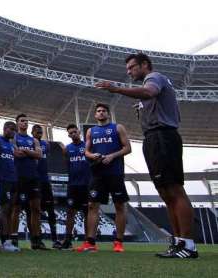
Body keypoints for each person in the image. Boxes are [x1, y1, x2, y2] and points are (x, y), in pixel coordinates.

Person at [97, 52, 197, 259]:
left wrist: (116, 89)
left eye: (132, 67)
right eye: (128, 69)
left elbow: (149, 92)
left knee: (174, 190)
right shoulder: (152, 84)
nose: (129, 72)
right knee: (165, 194)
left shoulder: (154, 77)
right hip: (154, 138)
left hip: (163, 137)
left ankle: (188, 244)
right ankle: (179, 243)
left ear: (145, 65)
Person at [76, 103, 130, 253]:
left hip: (115, 172)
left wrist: (112, 156)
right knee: (92, 206)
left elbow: (128, 148)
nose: (101, 113)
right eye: (98, 111)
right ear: (95, 115)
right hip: (97, 174)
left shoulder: (117, 128)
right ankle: (90, 242)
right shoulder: (91, 131)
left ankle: (118, 242)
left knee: (119, 206)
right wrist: (93, 155)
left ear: (108, 114)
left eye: (103, 111)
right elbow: (86, 152)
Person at [10, 114, 45, 250]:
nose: (24, 123)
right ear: (17, 123)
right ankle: (13, 239)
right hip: (18, 176)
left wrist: (24, 150)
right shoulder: (14, 138)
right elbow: (16, 153)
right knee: (16, 208)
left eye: (26, 121)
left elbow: (39, 155)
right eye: (22, 121)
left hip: (33, 177)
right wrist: (29, 152)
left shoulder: (34, 140)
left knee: (36, 208)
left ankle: (36, 240)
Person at [60, 124, 91, 250]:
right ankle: (67, 240)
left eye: (75, 132)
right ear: (68, 135)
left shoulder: (87, 146)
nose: (73, 134)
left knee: (87, 213)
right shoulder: (67, 149)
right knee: (70, 212)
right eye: (71, 133)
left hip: (87, 185)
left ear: (79, 132)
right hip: (73, 185)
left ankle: (88, 240)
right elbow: (67, 165)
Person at [32, 124, 60, 248]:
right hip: (34, 180)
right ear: (32, 132)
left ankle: (55, 239)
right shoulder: (29, 142)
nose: (39, 134)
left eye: (40, 132)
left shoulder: (45, 145)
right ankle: (37, 239)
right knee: (35, 210)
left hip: (45, 180)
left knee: (51, 210)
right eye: (37, 132)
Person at [0, 121, 20, 252]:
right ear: (5, 128)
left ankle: (8, 240)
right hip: (2, 179)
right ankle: (4, 242)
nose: (14, 132)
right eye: (12, 129)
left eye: (15, 130)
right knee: (4, 209)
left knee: (10, 210)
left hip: (13, 179)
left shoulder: (11, 145)